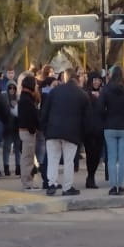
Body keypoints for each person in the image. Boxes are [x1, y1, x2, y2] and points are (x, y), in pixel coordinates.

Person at [39, 68, 89, 197]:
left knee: (53, 159)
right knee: (69, 161)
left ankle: (51, 185)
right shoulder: (82, 94)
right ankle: (67, 187)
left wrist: (45, 129)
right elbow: (87, 118)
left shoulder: (54, 91)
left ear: (65, 78)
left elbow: (44, 112)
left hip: (53, 130)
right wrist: (83, 135)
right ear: (77, 80)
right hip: (72, 133)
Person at [99, 67, 124, 195]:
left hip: (110, 126)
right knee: (123, 157)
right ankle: (121, 186)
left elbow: (99, 108)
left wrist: (106, 116)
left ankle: (112, 186)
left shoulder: (106, 90)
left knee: (111, 157)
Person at [17, 75, 41, 190]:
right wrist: (34, 128)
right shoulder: (26, 100)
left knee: (28, 157)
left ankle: (27, 181)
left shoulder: (26, 98)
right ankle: (27, 183)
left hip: (26, 131)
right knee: (28, 158)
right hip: (28, 132)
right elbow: (30, 117)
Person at [83, 71, 105, 189]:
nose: (96, 82)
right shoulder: (85, 93)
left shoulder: (103, 93)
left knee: (97, 155)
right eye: (94, 79)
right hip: (88, 129)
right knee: (90, 153)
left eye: (98, 80)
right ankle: (90, 177)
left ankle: (92, 175)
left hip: (100, 128)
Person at [1, 80, 20, 177]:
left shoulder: (19, 98)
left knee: (18, 147)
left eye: (14, 88)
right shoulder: (4, 98)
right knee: (7, 147)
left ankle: (18, 167)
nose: (12, 90)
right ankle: (6, 167)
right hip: (8, 126)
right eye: (10, 88)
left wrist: (16, 106)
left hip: (17, 126)